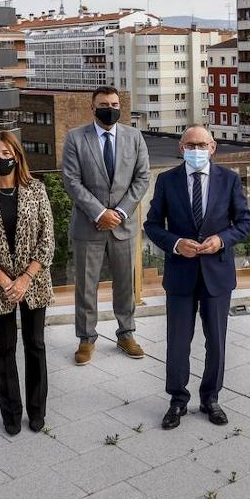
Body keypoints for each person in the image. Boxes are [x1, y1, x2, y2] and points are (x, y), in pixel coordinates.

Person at [144, 125, 250, 430]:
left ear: (213, 147)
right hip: (180, 274)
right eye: (190, 145)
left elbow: (245, 221)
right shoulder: (167, 180)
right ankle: (177, 400)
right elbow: (152, 225)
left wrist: (222, 240)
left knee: (216, 341)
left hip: (217, 274)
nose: (196, 150)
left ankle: (211, 398)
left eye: (201, 144)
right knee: (178, 342)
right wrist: (176, 244)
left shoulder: (229, 180)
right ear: (181, 148)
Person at [0, 131, 56, 436]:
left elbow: (48, 240)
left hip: (34, 282)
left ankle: (36, 411)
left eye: (7, 153)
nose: (1, 158)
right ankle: (10, 413)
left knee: (36, 345)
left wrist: (26, 278)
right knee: (4, 348)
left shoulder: (36, 190)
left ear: (17, 156)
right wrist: (6, 281)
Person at [60, 86, 151, 365]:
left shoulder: (134, 137)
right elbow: (71, 181)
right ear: (92, 107)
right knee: (86, 287)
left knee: (125, 284)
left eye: (113, 103)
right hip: (89, 226)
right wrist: (100, 213)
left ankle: (126, 333)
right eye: (103, 103)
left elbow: (142, 177)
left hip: (123, 226)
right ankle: (86, 339)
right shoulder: (76, 138)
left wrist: (120, 212)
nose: (109, 108)